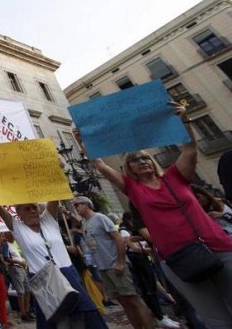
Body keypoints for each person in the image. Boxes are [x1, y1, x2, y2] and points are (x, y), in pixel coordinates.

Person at [73, 101, 232, 328]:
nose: (142, 161)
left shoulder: (176, 176)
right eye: (135, 160)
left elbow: (189, 149)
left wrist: (184, 120)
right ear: (129, 168)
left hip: (218, 246)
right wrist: (82, 142)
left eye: (145, 158)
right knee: (217, 319)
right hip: (177, 256)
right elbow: (100, 165)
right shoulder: (133, 189)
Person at [0, 200, 108, 329]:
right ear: (18, 213)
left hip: (68, 275)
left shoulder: (48, 219)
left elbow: (53, 197)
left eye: (34, 207)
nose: (32, 211)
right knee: (59, 322)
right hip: (45, 281)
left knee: (82, 317)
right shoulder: (18, 227)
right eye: (27, 209)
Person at [73, 196, 154, 329]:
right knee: (123, 302)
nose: (75, 208)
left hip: (115, 265)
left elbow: (119, 239)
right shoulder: (85, 223)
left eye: (77, 205)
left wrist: (120, 262)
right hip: (103, 267)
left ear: (86, 204)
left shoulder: (100, 218)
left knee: (133, 300)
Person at [119, 212, 180, 328]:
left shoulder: (133, 230)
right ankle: (159, 315)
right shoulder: (124, 231)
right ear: (129, 220)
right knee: (148, 289)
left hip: (144, 258)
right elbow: (133, 248)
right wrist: (151, 249)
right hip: (137, 260)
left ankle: (160, 314)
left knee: (153, 284)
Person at [2, 234, 34, 322]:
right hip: (15, 267)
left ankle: (26, 310)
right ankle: (23, 313)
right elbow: (6, 258)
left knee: (28, 290)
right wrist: (18, 262)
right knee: (21, 291)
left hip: (22, 268)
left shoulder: (14, 245)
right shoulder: (6, 244)